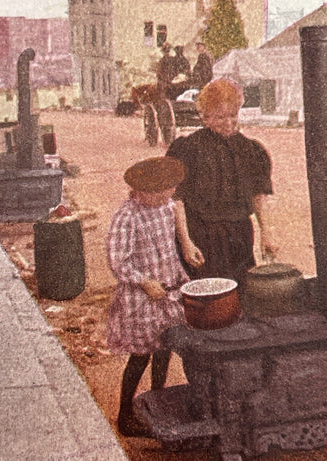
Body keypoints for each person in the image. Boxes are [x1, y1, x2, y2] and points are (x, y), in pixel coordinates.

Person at [166, 78, 278, 290]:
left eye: (232, 115)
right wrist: (185, 242)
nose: (228, 122)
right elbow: (177, 200)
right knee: (209, 299)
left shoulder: (251, 150)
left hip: (240, 236)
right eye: (220, 117)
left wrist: (266, 233)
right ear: (205, 117)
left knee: (242, 294)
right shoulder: (188, 149)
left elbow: (258, 196)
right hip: (202, 237)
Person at [106, 156, 189, 437]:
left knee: (164, 348)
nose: (164, 197)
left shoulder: (166, 209)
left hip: (166, 292)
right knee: (140, 356)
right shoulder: (126, 216)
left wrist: (181, 278)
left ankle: (158, 400)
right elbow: (119, 261)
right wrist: (143, 281)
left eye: (168, 191)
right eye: (157, 192)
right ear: (140, 191)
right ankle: (124, 416)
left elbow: (170, 251)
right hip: (141, 299)